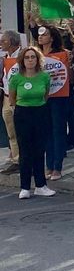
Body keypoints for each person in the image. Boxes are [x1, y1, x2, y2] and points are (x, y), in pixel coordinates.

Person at [9, 46, 56, 199]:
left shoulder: (44, 77)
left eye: (33, 57)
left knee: (39, 149)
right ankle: (24, 187)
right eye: (27, 57)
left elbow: (46, 94)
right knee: (25, 150)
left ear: (37, 60)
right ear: (22, 60)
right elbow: (12, 99)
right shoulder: (16, 78)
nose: (30, 60)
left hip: (40, 112)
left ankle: (41, 185)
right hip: (23, 113)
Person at [37, 25, 70, 181]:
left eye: (45, 34)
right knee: (47, 132)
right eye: (39, 34)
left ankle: (57, 166)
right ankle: (49, 165)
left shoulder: (62, 54)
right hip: (41, 98)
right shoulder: (35, 56)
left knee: (58, 130)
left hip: (58, 97)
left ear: (52, 37)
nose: (41, 37)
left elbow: (67, 75)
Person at [0, 30, 22, 175]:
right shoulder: (5, 58)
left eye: (4, 41)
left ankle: (24, 159)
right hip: (7, 97)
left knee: (21, 129)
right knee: (11, 130)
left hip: (21, 98)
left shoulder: (23, 56)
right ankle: (16, 159)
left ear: (12, 42)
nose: (1, 43)